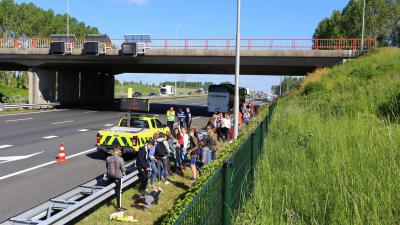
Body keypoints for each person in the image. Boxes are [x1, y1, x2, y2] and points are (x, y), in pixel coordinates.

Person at [106, 146, 127, 211]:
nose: (121, 152)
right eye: (120, 151)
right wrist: (124, 174)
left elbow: (107, 167)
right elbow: (123, 169)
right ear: (118, 151)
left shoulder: (108, 158)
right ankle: (119, 207)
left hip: (109, 175)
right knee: (118, 191)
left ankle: (108, 202)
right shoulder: (120, 159)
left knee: (109, 189)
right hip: (117, 176)